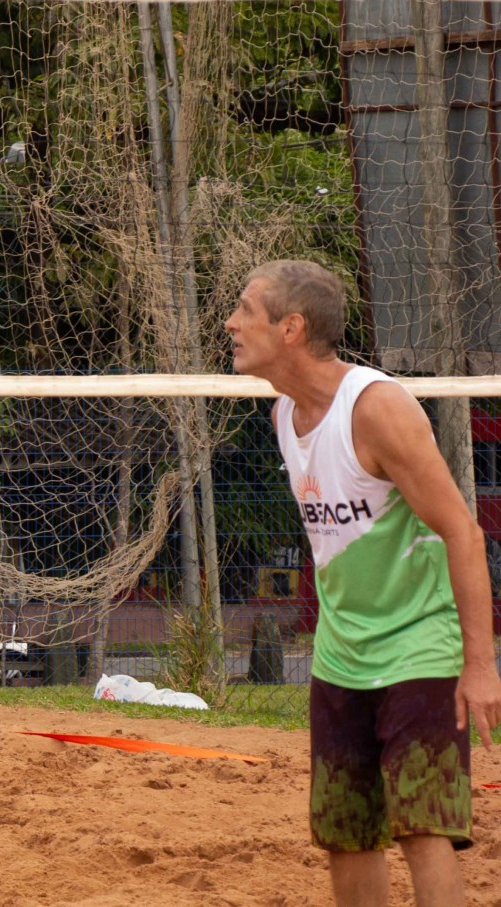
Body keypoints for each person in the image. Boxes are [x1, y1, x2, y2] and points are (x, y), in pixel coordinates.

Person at [227, 259, 500, 907]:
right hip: (340, 655)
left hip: (418, 649)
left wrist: (480, 664)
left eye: (245, 309)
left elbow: (464, 533)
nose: (232, 323)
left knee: (423, 829)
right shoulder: (284, 415)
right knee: (346, 833)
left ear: (291, 328)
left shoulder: (376, 408)